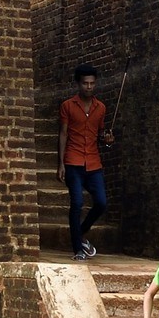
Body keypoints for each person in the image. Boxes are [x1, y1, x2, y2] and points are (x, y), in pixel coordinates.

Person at [57, 63, 111, 259]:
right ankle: (78, 249)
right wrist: (60, 163)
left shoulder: (101, 108)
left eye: (92, 83)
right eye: (85, 83)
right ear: (78, 84)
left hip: (94, 162)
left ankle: (80, 233)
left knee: (101, 203)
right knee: (77, 203)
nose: (89, 87)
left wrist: (107, 140)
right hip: (73, 160)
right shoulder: (68, 106)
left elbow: (101, 134)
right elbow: (63, 134)